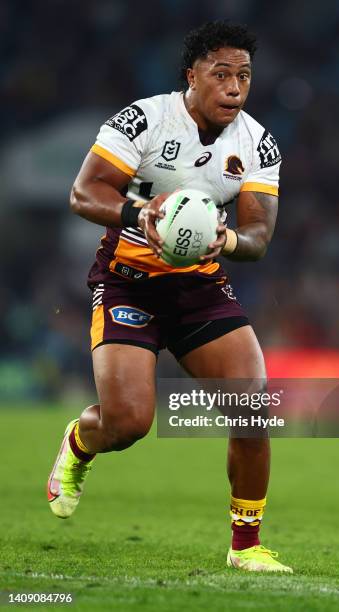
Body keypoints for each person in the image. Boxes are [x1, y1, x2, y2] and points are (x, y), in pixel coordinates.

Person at [47, 20, 292, 574]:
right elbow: (84, 192)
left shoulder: (258, 142)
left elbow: (257, 238)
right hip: (127, 279)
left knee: (251, 407)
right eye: (222, 74)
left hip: (199, 287)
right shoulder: (146, 119)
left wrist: (224, 238)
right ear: (192, 75)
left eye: (244, 77)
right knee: (128, 423)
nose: (235, 88)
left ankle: (246, 547)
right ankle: (81, 441)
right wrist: (144, 213)